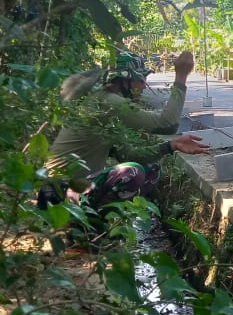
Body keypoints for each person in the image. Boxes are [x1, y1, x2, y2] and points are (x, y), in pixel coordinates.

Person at [44, 50, 210, 209]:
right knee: (133, 173)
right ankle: (91, 223)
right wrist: (181, 76)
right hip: (58, 192)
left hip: (68, 189)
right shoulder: (110, 102)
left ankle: (94, 221)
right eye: (140, 80)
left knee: (151, 171)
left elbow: (128, 155)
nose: (144, 86)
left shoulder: (104, 104)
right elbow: (168, 124)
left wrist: (171, 146)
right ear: (124, 82)